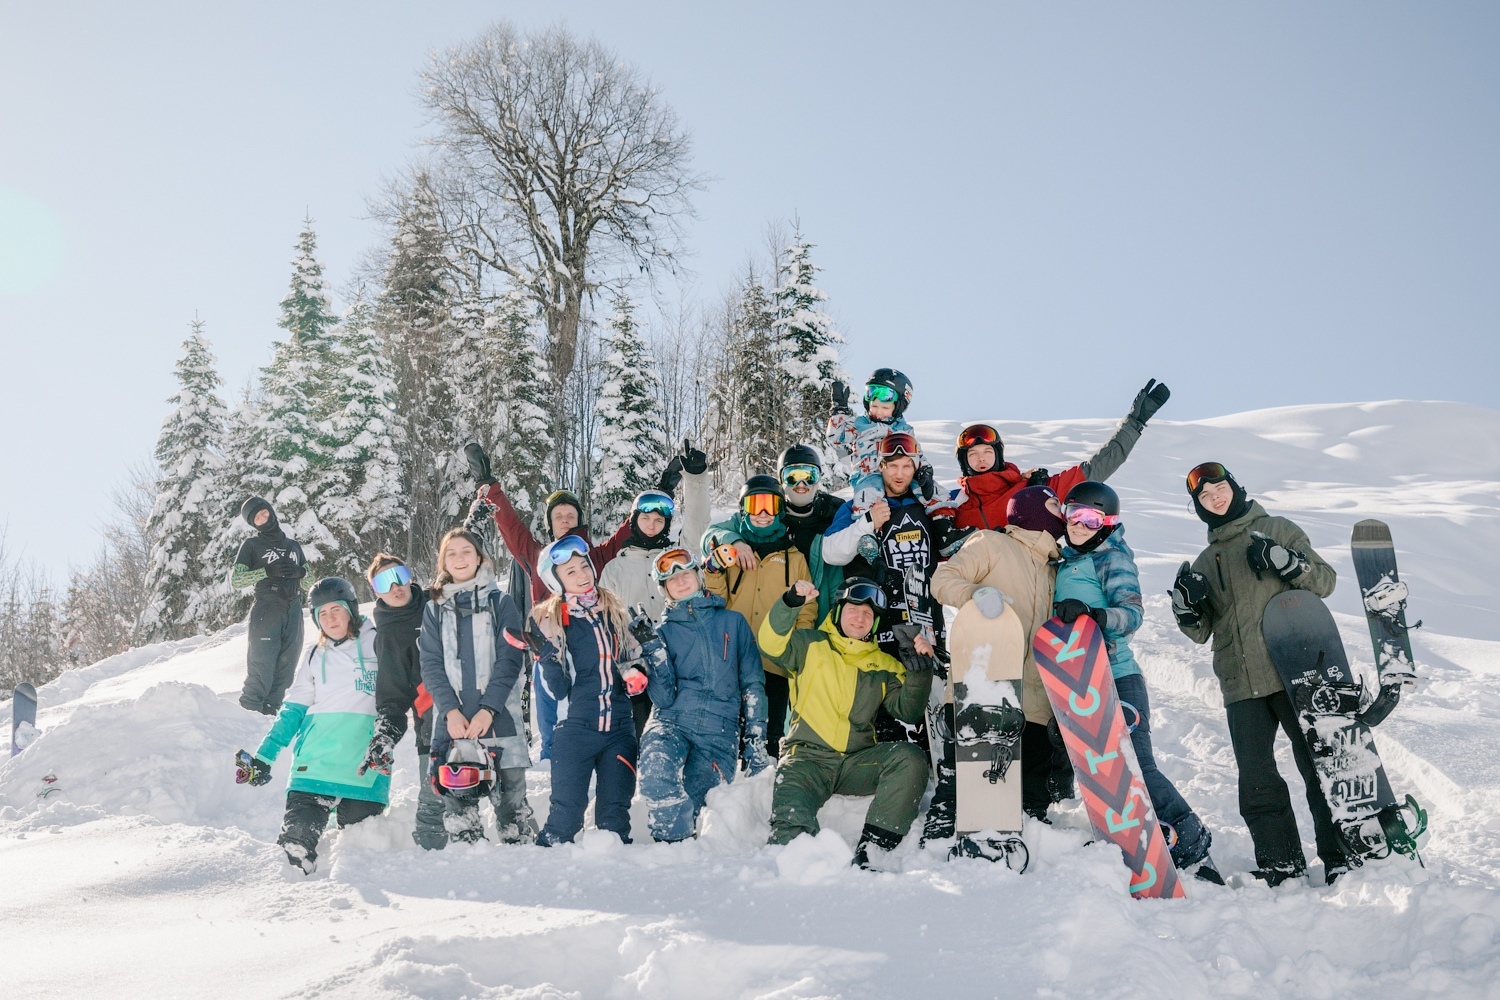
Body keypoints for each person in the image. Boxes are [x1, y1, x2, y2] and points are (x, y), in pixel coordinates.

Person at [1171, 462, 1347, 885]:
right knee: (1257, 781)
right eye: (1205, 496)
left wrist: (1287, 562)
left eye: (1219, 488)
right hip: (1240, 683)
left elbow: (1325, 581)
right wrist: (1185, 607)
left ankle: (1341, 857)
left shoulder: (1277, 529)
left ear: (1234, 487)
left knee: (1316, 768)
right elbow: (1200, 631)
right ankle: (1280, 864)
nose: (1215, 498)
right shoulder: (1205, 559)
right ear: (1199, 507)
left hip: (1293, 671)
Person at [1052, 481, 1222, 883]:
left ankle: (1194, 845)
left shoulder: (1112, 557)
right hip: (1078, 680)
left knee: (1137, 767)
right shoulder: (1060, 559)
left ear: (1107, 523)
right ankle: (1135, 842)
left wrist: (1095, 617)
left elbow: (1132, 613)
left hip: (1117, 676)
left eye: (1090, 518)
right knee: (1103, 771)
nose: (1079, 523)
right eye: (1073, 514)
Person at [470, 443, 685, 759]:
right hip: (553, 644)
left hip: (593, 648)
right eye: (559, 516)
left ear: (580, 522)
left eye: (571, 515)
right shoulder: (536, 555)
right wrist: (490, 487)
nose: (566, 520)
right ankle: (549, 751)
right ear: (551, 524)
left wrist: (662, 490)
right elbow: (512, 529)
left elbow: (632, 526)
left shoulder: (596, 556)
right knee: (547, 687)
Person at [759, 578, 936, 869]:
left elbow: (909, 711)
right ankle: (794, 873)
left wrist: (920, 672)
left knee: (910, 759)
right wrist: (790, 602)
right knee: (789, 831)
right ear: (839, 611)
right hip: (806, 760)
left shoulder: (884, 664)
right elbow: (770, 644)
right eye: (853, 609)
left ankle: (876, 848)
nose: (860, 617)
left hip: (856, 762)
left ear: (875, 623)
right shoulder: (809, 643)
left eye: (869, 614)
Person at [928, 485, 1071, 832]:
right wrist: (975, 594)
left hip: (1036, 703)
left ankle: (1026, 855)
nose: (1061, 511)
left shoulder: (1057, 570)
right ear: (1031, 509)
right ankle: (938, 838)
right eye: (1054, 503)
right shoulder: (991, 544)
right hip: (983, 693)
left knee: (1028, 801)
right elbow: (942, 579)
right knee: (964, 787)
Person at [236, 577, 386, 875]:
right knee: (295, 842)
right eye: (322, 614)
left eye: (336, 610)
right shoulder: (314, 656)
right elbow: (292, 711)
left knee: (362, 843)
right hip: (315, 764)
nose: (330, 619)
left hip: (365, 768)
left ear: (352, 609)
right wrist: (264, 757)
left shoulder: (378, 643)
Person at [633, 547, 768, 842]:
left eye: (685, 574)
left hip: (718, 732)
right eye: (672, 580)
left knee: (701, 805)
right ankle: (671, 847)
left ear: (698, 576)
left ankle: (687, 857)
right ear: (664, 590)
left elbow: (753, 685)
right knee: (655, 773)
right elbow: (663, 698)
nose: (681, 582)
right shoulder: (662, 632)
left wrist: (755, 742)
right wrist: (653, 650)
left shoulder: (733, 623)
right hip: (670, 721)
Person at [418, 528, 535, 844]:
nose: (459, 558)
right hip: (453, 724)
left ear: (480, 557)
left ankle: (526, 869)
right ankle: (470, 868)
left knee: (513, 811)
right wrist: (450, 711)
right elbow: (431, 664)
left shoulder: (501, 602)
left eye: (466, 551)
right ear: (443, 561)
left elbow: (511, 661)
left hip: (500, 718)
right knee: (460, 814)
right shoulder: (434, 608)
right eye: (451, 553)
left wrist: (488, 710)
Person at [530, 536, 645, 845]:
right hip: (576, 731)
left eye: (584, 566)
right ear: (557, 583)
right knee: (564, 820)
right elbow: (558, 690)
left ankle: (616, 888)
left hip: (620, 731)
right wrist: (547, 657)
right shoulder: (553, 620)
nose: (582, 575)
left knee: (614, 821)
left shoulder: (615, 610)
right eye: (571, 572)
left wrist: (636, 673)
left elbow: (634, 658)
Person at [945, 378, 1171, 533]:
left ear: (999, 455)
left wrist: (1133, 424)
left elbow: (1093, 471)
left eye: (987, 452)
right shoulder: (955, 506)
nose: (981, 459)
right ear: (964, 463)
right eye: (972, 454)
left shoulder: (1030, 491)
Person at [598, 443, 712, 736]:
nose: (652, 525)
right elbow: (604, 624)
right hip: (634, 669)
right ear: (634, 521)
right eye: (646, 519)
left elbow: (698, 525)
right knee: (637, 737)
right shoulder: (615, 568)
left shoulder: (676, 557)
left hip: (679, 664)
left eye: (659, 520)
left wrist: (696, 479)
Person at [701, 475, 817, 757]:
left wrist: (799, 647)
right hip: (735, 656)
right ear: (743, 509)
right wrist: (713, 571)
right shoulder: (732, 552)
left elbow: (807, 608)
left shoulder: (795, 557)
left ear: (779, 509)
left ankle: (766, 787)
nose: (763, 514)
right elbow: (717, 600)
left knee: (771, 729)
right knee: (731, 727)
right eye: (755, 505)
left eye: (770, 505)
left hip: (774, 660)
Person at [359, 554, 445, 851]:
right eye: (385, 581)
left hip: (475, 706)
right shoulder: (389, 634)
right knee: (436, 796)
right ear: (376, 591)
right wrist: (384, 735)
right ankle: (432, 856)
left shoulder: (437, 601)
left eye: (401, 575)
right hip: (433, 721)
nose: (396, 585)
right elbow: (393, 696)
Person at [232, 496, 308, 715]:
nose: (263, 518)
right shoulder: (252, 545)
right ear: (252, 523)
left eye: (264, 512)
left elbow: (310, 579)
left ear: (271, 511)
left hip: (294, 608)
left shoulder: (293, 545)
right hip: (267, 607)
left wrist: (300, 572)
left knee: (286, 670)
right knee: (262, 668)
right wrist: (266, 571)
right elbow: (237, 581)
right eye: (257, 518)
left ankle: (270, 715)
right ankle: (248, 715)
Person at [827, 368, 938, 505]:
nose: (878, 412)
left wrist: (924, 470)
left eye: (885, 408)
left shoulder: (903, 430)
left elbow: (915, 453)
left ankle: (942, 518)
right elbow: (836, 437)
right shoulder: (860, 425)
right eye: (874, 406)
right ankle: (870, 523)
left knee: (932, 490)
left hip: (899, 475)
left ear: (899, 407)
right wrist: (839, 411)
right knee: (869, 495)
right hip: (868, 476)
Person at [777, 444, 847, 623]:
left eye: (809, 476)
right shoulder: (769, 516)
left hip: (822, 623)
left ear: (818, 479)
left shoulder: (835, 514)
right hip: (780, 619)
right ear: (781, 480)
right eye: (792, 477)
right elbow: (724, 530)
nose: (801, 484)